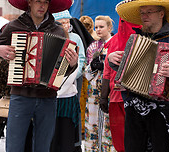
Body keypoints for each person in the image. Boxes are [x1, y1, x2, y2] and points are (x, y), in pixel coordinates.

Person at [0, 0, 79, 152]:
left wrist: (72, 64)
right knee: (14, 146)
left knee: (43, 147)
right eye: (38, 0)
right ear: (29, 2)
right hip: (20, 96)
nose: (42, 6)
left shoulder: (58, 30)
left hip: (48, 98)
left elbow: (63, 69)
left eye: (46, 2)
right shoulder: (14, 26)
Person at [108, 0, 169, 152]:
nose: (144, 16)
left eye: (149, 12)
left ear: (161, 14)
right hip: (134, 108)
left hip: (163, 110)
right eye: (142, 12)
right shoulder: (135, 39)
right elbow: (124, 68)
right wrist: (112, 60)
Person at [100, 18, 142, 152]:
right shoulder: (113, 42)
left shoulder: (143, 39)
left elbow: (106, 73)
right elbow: (107, 72)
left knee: (132, 139)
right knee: (122, 139)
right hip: (117, 98)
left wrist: (103, 96)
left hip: (132, 99)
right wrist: (103, 96)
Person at [51, 10, 85, 152]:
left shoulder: (75, 38)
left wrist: (72, 75)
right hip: (52, 90)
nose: (65, 25)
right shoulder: (52, 37)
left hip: (69, 87)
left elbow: (81, 59)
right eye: (62, 22)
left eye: (67, 22)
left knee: (68, 126)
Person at [84, 15, 114, 152]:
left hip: (109, 91)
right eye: (96, 27)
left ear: (109, 27)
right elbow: (86, 72)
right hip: (94, 91)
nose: (98, 29)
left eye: (101, 27)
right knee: (93, 123)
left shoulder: (115, 44)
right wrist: (92, 67)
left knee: (108, 126)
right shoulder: (93, 47)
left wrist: (107, 66)